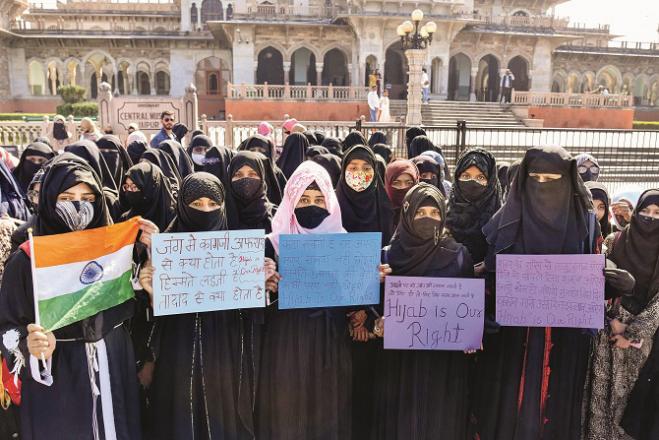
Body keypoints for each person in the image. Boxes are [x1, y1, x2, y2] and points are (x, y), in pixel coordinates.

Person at [0, 153, 156, 440]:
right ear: (48, 199)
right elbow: (7, 327)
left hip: (113, 368)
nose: (78, 206)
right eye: (66, 197)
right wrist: (28, 344)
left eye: (88, 198)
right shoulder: (26, 261)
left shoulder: (115, 254)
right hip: (59, 378)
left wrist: (153, 258)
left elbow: (130, 311)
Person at [473, 146, 597, 440]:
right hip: (511, 338)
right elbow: (489, 279)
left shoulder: (584, 225)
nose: (543, 187)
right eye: (535, 179)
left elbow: (590, 279)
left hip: (562, 339)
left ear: (567, 182)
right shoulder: (506, 222)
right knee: (506, 409)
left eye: (552, 180)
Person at [141, 172, 257, 439]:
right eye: (196, 204)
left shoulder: (237, 251)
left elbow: (249, 313)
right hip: (177, 354)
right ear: (182, 206)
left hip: (224, 354)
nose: (206, 211)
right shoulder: (165, 253)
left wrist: (260, 283)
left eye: (213, 204)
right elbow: (153, 318)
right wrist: (151, 291)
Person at [256, 161, 353, 439]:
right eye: (304, 199)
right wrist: (264, 283)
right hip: (286, 341)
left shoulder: (345, 243)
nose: (312, 206)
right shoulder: (271, 244)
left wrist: (371, 281)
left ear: (330, 203)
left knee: (327, 408)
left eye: (319, 199)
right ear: (290, 202)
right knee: (288, 410)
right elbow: (250, 297)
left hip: (330, 342)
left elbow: (350, 298)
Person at [372, 182, 475, 440]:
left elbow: (468, 307)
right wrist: (377, 315)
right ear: (407, 215)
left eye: (434, 213)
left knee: (440, 422)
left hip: (444, 364)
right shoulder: (387, 258)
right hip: (398, 363)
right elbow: (373, 310)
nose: (427, 219)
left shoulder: (459, 256)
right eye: (420, 213)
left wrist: (472, 333)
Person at [582, 189, 659, 440]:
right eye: (645, 211)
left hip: (643, 346)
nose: (649, 217)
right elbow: (595, 280)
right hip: (607, 336)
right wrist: (611, 319)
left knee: (630, 410)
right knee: (600, 403)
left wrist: (634, 334)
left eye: (657, 213)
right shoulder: (614, 241)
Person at [445, 147, 502, 264]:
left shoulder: (502, 220)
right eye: (466, 176)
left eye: (480, 177)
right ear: (457, 177)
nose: (472, 182)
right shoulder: (441, 215)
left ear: (491, 182)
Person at [227, 151, 276, 231]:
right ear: (229, 179)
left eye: (252, 174)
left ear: (262, 178)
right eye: (238, 175)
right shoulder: (220, 217)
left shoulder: (277, 215)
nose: (246, 179)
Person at [385, 159, 420, 227]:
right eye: (396, 183)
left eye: (409, 183)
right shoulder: (378, 214)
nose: (403, 187)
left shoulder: (424, 212)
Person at [585, 181, 613, 250]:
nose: (595, 212)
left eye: (601, 207)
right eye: (590, 206)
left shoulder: (612, 234)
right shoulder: (569, 234)